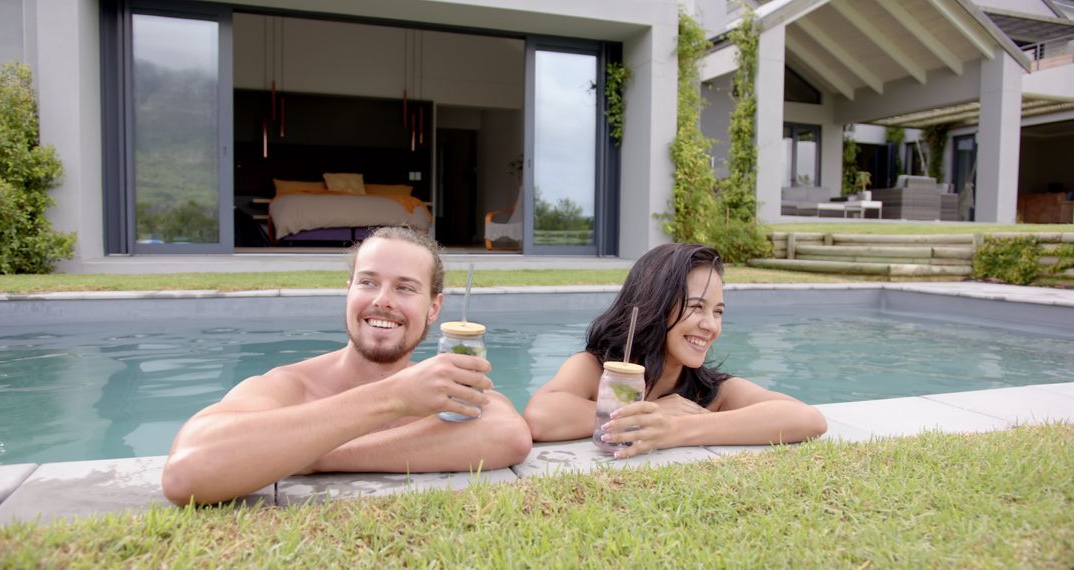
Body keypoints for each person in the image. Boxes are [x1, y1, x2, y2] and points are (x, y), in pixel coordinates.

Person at [162, 227, 532, 506]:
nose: (382, 301)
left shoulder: (436, 388)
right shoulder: (291, 386)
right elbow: (186, 471)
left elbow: (507, 433)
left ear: (434, 307)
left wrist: (309, 454)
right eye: (368, 282)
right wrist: (394, 398)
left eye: (405, 288)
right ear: (349, 290)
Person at [523, 243, 827, 458]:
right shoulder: (597, 370)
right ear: (657, 305)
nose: (711, 325)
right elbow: (541, 416)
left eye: (718, 311)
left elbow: (806, 418)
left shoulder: (710, 390)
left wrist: (677, 429)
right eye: (697, 307)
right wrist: (652, 412)